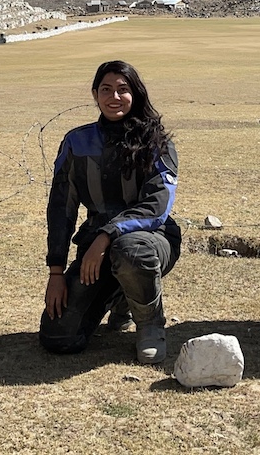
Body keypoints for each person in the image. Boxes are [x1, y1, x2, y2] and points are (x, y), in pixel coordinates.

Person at [41, 60, 180, 363]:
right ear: (95, 94)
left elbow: (157, 208)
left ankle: (150, 324)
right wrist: (56, 272)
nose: (114, 97)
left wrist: (106, 235)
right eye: (106, 89)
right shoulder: (76, 142)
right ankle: (120, 296)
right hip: (94, 251)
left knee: (129, 250)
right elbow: (61, 207)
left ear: (136, 95)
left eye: (123, 90)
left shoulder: (157, 142)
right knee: (58, 336)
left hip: (149, 242)